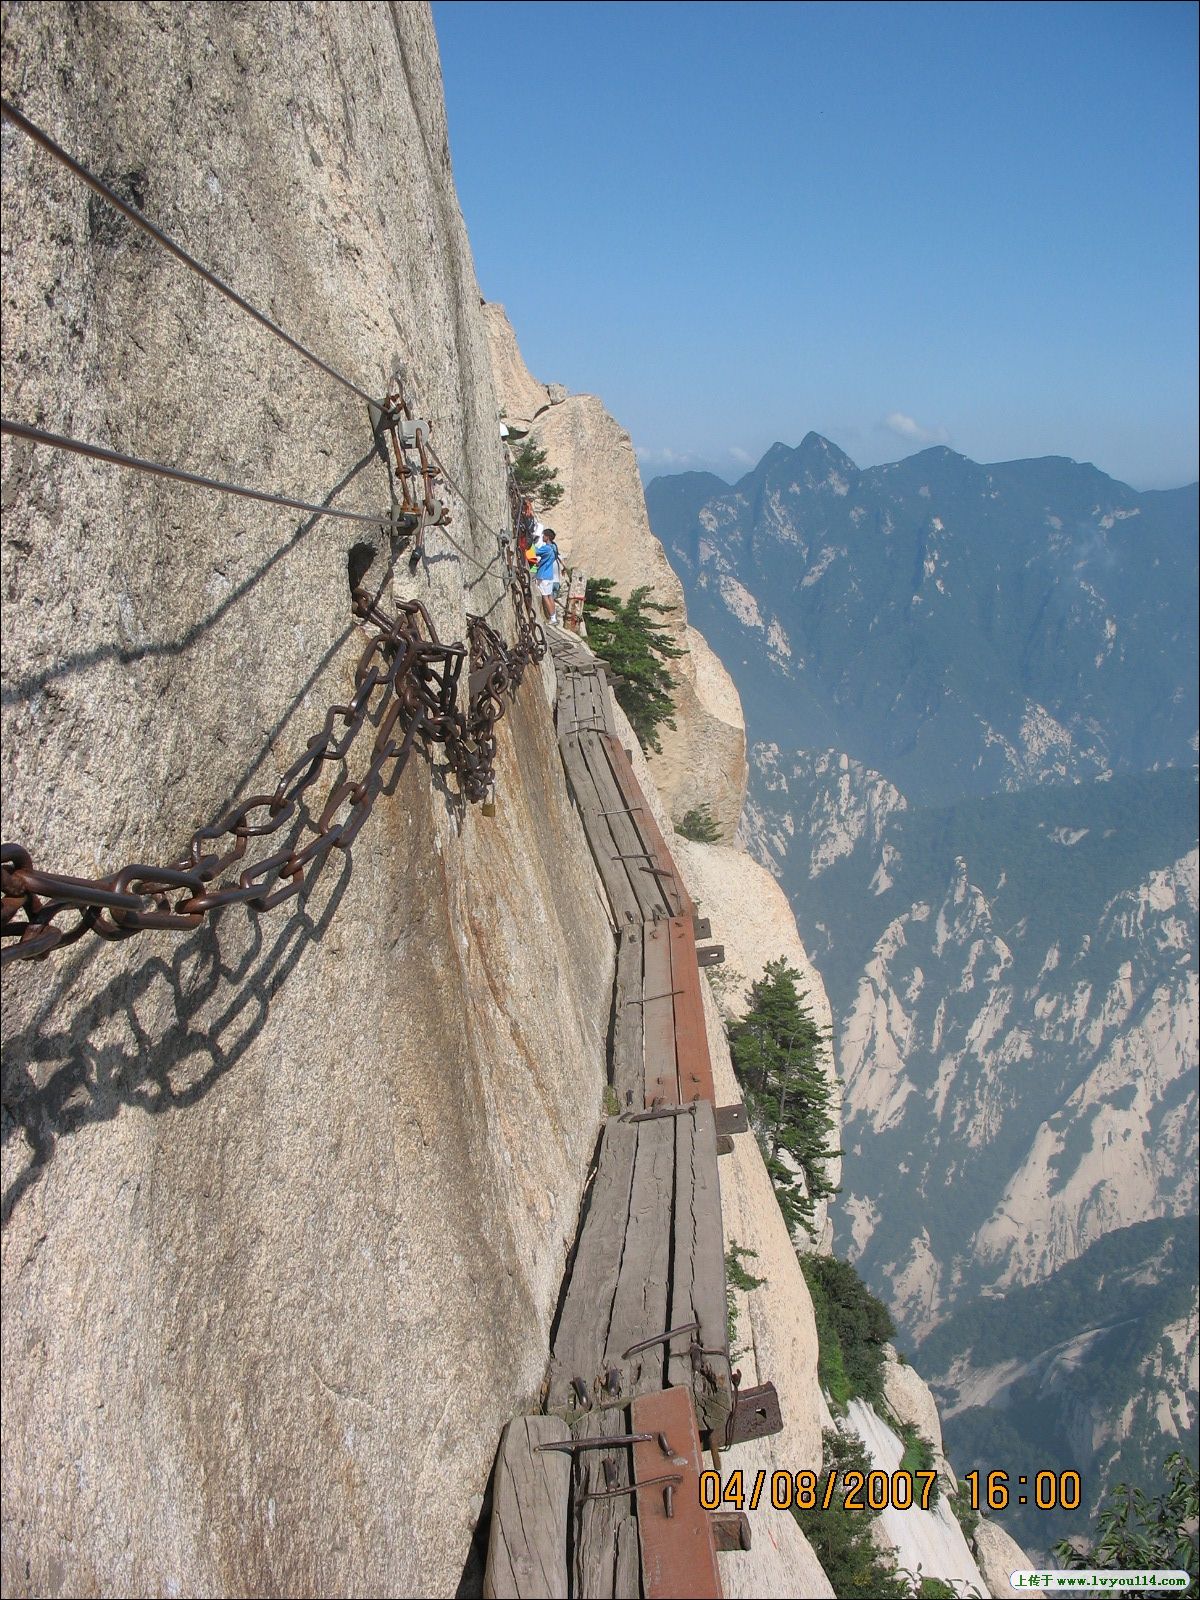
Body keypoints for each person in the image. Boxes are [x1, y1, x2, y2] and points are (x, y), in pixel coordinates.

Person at [532, 527, 563, 625]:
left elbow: (535, 551)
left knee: (545, 597)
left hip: (543, 575)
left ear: (548, 537)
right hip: (549, 575)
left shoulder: (546, 548)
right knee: (550, 597)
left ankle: (552, 618)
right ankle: (553, 617)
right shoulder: (553, 549)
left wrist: (532, 542)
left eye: (544, 536)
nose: (542, 537)